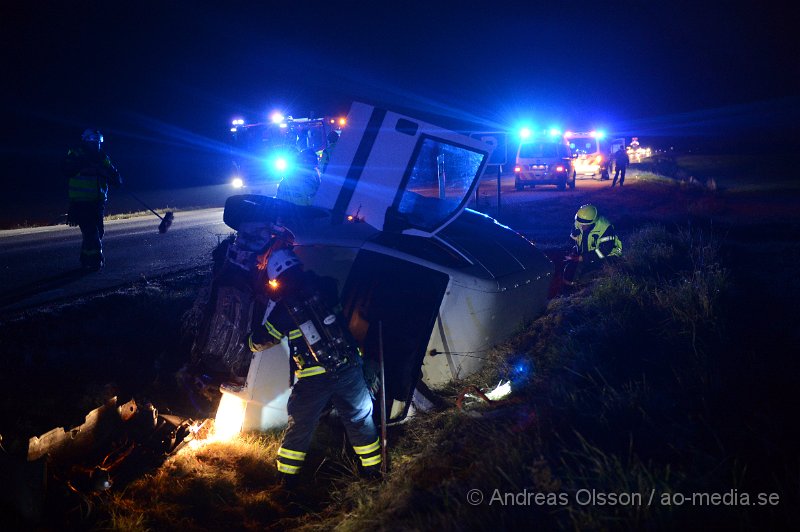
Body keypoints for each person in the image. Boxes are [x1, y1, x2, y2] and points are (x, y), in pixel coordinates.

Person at [247, 248, 382, 485]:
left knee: (301, 426)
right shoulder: (327, 288)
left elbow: (261, 341)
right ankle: (373, 473)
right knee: (360, 418)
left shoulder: (284, 308)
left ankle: (286, 483)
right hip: (348, 367)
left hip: (313, 378)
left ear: (277, 276)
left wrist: (248, 339)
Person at [62, 129, 122, 270]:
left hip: (98, 202)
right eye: (93, 142)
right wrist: (83, 164)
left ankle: (85, 258)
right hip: (81, 202)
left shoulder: (102, 157)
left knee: (98, 231)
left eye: (98, 142)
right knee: (91, 232)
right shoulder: (76, 153)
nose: (96, 146)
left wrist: (114, 177)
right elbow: (66, 169)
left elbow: (114, 174)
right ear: (86, 142)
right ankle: (96, 260)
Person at [563, 204, 622, 287]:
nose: (581, 226)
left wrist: (583, 258)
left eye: (584, 225)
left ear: (592, 222)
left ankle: (589, 290)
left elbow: (605, 250)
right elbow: (572, 240)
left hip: (608, 256)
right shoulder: (578, 223)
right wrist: (572, 252)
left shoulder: (605, 228)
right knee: (568, 273)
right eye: (580, 223)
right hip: (585, 255)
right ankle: (572, 287)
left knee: (589, 275)